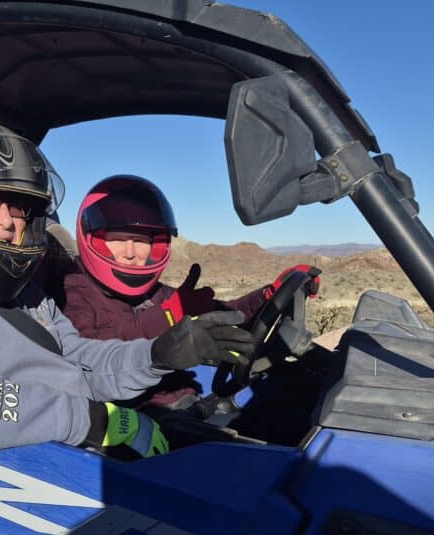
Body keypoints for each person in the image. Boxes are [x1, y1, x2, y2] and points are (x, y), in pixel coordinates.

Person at [0, 123, 255, 460]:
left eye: (18, 208)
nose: (7, 222)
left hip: (73, 450)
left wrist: (157, 354)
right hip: (37, 472)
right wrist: (92, 421)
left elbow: (79, 362)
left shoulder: (25, 294)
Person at [60, 175, 320, 409]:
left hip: (185, 403)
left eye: (140, 242)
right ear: (93, 239)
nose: (130, 252)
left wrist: (266, 295)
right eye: (117, 239)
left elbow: (226, 315)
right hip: (136, 419)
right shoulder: (74, 291)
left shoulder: (154, 294)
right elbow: (93, 356)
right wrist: (169, 316)